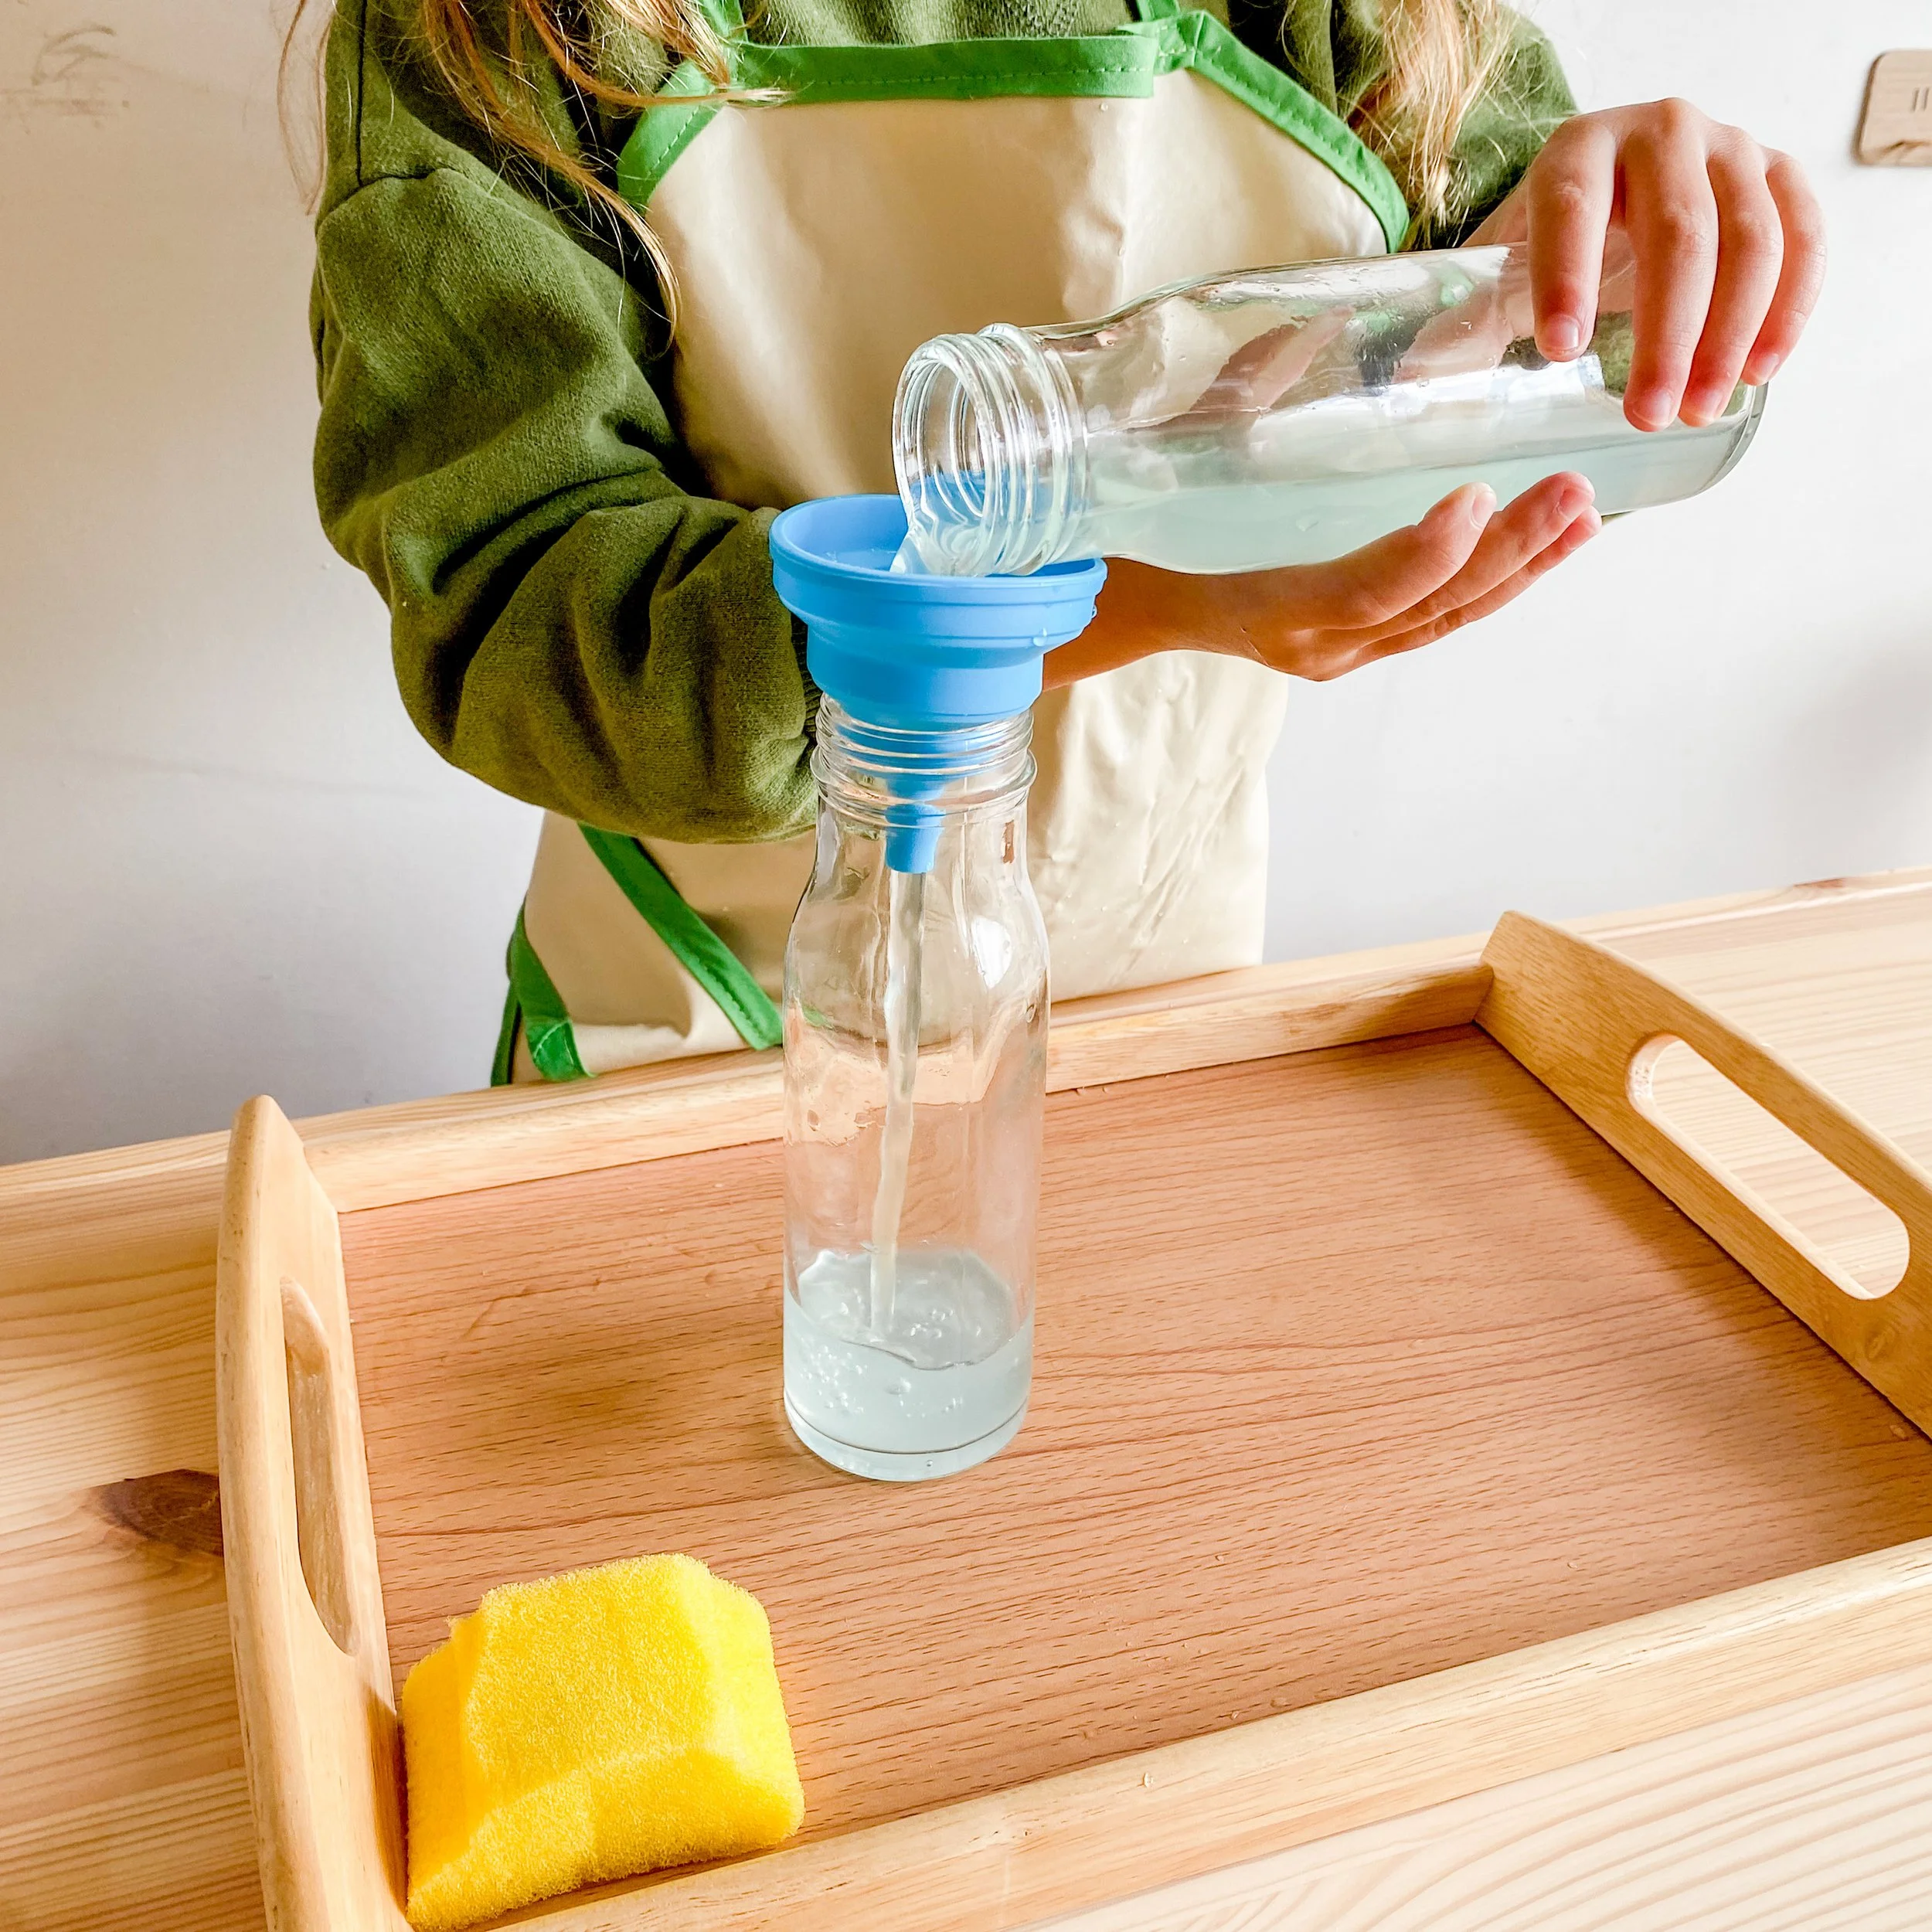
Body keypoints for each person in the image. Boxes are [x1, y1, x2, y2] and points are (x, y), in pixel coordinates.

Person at [303, 0, 1823, 1082]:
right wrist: (1134, 594)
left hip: (1164, 985)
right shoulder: (514, 28)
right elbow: (520, 612)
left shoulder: (1363, 18)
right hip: (712, 1000)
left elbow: (1482, 366)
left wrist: (1580, 277)